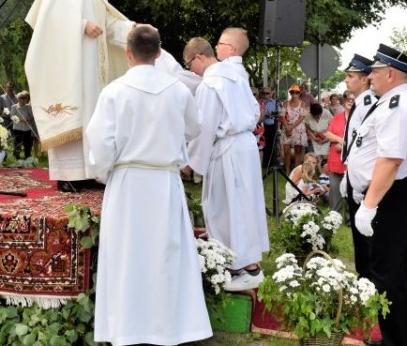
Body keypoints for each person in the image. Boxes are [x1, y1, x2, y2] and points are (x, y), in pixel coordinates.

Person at [86, 26, 212, 345]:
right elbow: (194, 128)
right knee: (165, 256)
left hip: (128, 183)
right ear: (158, 53)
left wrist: (103, 171)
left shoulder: (114, 91)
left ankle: (127, 328)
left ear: (128, 53)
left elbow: (100, 145)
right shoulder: (179, 90)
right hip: (164, 182)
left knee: (127, 255)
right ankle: (169, 327)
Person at [24, 0, 137, 191]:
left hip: (94, 67)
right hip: (69, 66)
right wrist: (82, 24)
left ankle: (90, 171)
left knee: (95, 116)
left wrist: (131, 29)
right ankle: (67, 175)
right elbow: (47, 22)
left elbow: (108, 22)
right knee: (73, 113)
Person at [346, 44, 407, 346]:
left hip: (394, 193)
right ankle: (399, 339)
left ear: (391, 73)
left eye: (376, 72)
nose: (371, 78)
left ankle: (396, 341)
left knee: (391, 273)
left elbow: (390, 160)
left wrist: (369, 205)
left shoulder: (399, 104)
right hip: (396, 191)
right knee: (399, 270)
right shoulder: (393, 100)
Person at [183, 37, 269, 292]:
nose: (191, 71)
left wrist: (189, 163)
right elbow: (256, 112)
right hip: (245, 144)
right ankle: (244, 263)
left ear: (199, 57)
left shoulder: (211, 84)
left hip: (228, 148)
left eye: (190, 65)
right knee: (244, 204)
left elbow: (203, 128)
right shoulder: (235, 76)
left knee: (228, 207)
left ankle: (245, 267)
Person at [340, 54, 377, 279]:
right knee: (358, 234)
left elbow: (368, 147)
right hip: (355, 176)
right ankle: (364, 275)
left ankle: (369, 278)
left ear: (364, 79)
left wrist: (362, 181)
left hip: (365, 180)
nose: (346, 80)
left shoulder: (369, 104)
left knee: (366, 234)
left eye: (350, 76)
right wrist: (348, 174)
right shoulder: (361, 103)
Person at [324, 92, 353, 216]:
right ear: (343, 100)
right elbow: (328, 134)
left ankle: (349, 218)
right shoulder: (337, 116)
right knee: (335, 190)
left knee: (351, 191)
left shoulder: (360, 117)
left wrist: (343, 146)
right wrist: (341, 140)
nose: (350, 101)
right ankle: (334, 217)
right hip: (336, 159)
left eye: (354, 98)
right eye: (347, 98)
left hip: (352, 161)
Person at [280, 84, 309, 175]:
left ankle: (296, 172)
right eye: (292, 92)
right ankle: (288, 172)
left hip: (298, 129)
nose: (294, 94)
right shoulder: (285, 102)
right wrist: (287, 127)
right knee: (286, 150)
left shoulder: (302, 103)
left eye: (296, 92)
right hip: (287, 128)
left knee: (298, 151)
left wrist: (291, 127)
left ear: (299, 93)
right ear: (290, 93)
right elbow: (282, 116)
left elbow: (302, 117)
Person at [10, 91, 35, 160]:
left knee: (28, 144)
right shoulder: (14, 107)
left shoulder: (28, 107)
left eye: (25, 98)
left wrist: (28, 119)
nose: (24, 100)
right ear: (18, 99)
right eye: (22, 98)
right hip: (17, 128)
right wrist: (21, 120)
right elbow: (12, 117)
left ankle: (27, 157)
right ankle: (17, 157)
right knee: (17, 144)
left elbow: (32, 116)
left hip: (27, 128)